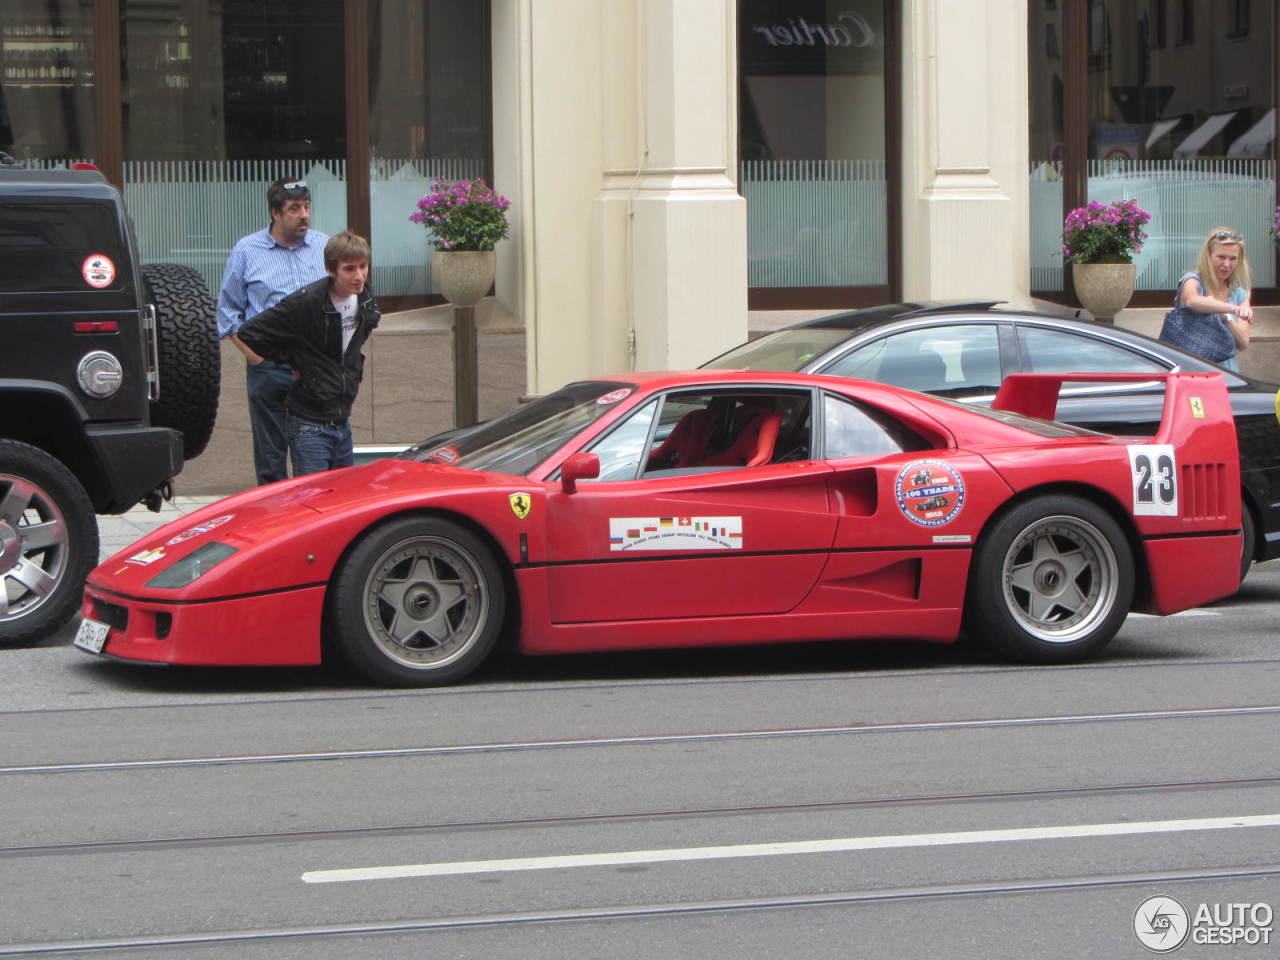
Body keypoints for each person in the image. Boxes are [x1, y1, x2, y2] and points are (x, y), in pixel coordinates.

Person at [236, 232, 380, 476]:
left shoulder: (364, 298)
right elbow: (251, 332)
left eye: (363, 267)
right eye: (349, 269)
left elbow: (360, 334)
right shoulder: (307, 302)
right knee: (314, 500)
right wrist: (294, 361)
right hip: (309, 423)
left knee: (343, 499)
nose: (359, 276)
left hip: (342, 418)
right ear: (332, 271)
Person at [217, 178, 330, 484]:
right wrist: (255, 358)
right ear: (276, 213)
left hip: (315, 369)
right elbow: (228, 311)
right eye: (294, 209)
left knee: (315, 454)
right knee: (271, 457)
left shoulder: (323, 246)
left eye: (306, 207)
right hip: (269, 368)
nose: (304, 214)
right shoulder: (248, 250)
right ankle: (275, 523)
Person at [1172, 227, 1253, 372]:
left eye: (1233, 258)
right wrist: (1230, 308)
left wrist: (1226, 317)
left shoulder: (1239, 294)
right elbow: (1191, 300)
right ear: (1208, 256)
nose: (1227, 264)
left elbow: (1243, 343)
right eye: (1221, 257)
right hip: (1192, 370)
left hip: (1227, 373)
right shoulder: (1193, 280)